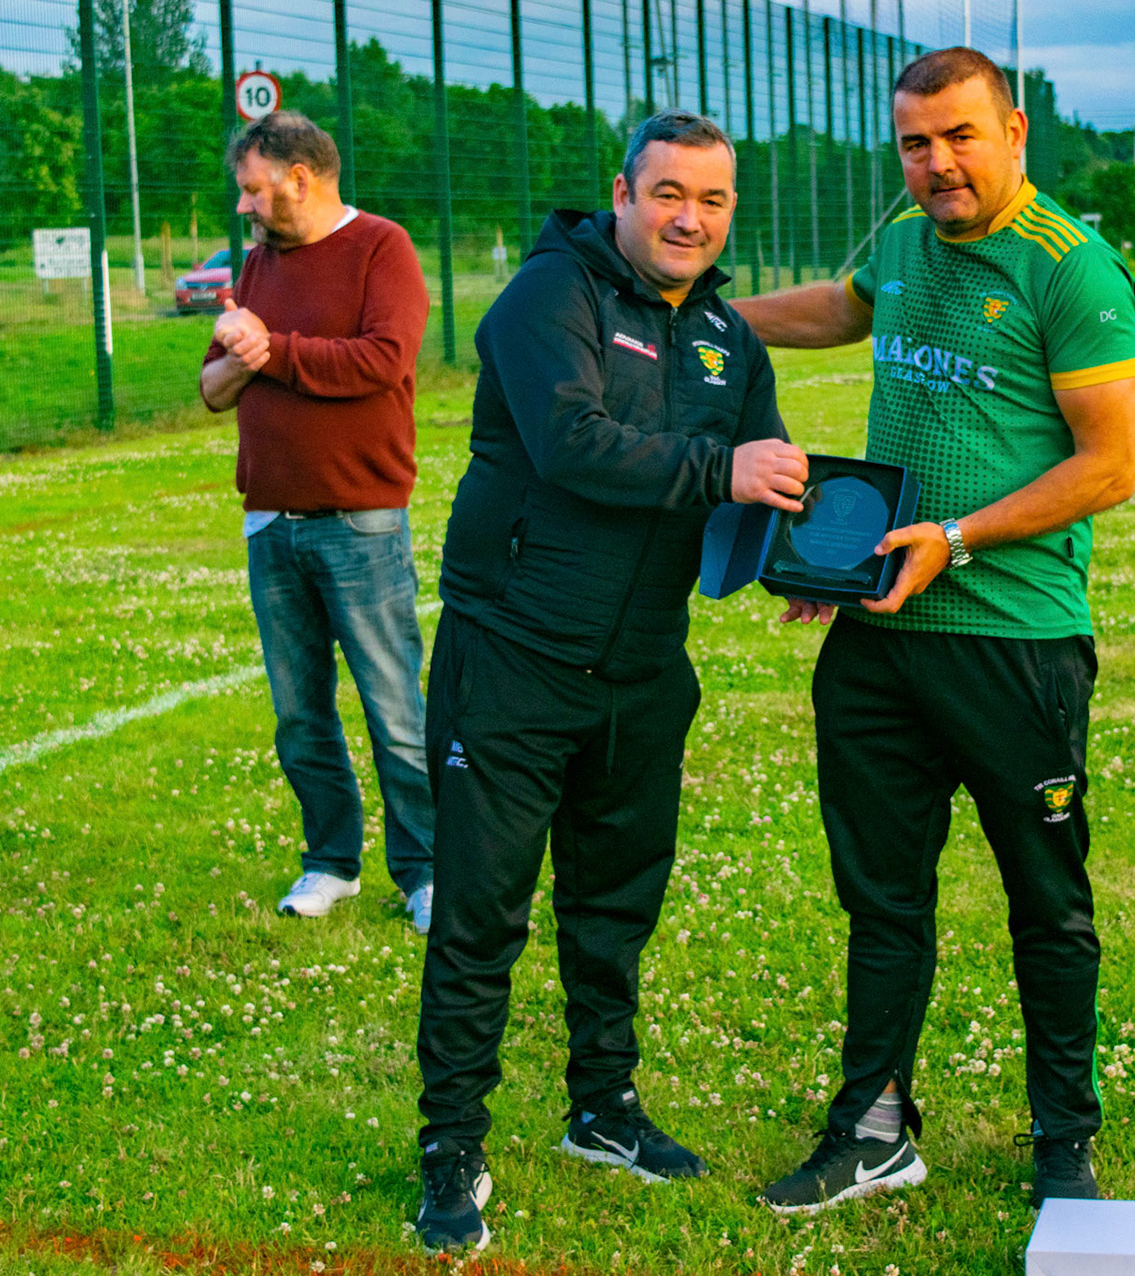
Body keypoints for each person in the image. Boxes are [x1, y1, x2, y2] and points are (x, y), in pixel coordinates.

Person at [731, 47, 1135, 1212]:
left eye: (960, 136)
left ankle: (1064, 1139)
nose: (938, 162)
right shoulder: (907, 242)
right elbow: (843, 307)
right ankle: (874, 1129)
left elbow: (1110, 465)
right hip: (880, 636)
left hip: (1013, 640)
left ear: (1014, 132)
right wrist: (706, 313)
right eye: (916, 143)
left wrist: (954, 539)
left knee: (1047, 903)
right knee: (882, 897)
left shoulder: (1072, 267)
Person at [410, 110, 808, 1253]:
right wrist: (722, 469)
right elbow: (571, 442)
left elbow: (763, 471)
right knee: (481, 917)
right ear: (623, 194)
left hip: (643, 671)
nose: (690, 219)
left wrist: (800, 560)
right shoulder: (550, 295)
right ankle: (452, 1147)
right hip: (514, 659)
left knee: (614, 905)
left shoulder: (728, 333)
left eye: (713, 200)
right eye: (668, 193)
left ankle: (603, 1108)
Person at [199, 111, 437, 933]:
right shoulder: (256, 263)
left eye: (253, 189)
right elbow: (213, 388)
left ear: (300, 178)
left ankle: (426, 871)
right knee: (300, 718)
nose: (244, 205)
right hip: (271, 523)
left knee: (393, 711)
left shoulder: (381, 248)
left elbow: (384, 361)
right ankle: (331, 862)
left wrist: (271, 349)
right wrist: (242, 352)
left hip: (361, 522)